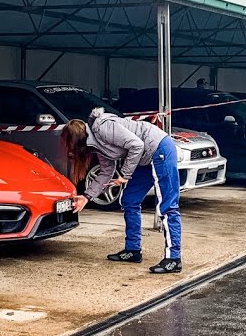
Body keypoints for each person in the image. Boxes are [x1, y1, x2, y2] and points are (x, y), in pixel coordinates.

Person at [62, 107, 183, 274]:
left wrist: (125, 175)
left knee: (167, 205)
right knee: (129, 200)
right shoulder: (95, 144)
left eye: (71, 145)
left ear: (77, 140)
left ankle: (174, 258)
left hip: (159, 148)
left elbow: (136, 145)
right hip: (143, 159)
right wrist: (86, 196)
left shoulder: (102, 128)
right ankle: (133, 250)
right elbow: (106, 171)